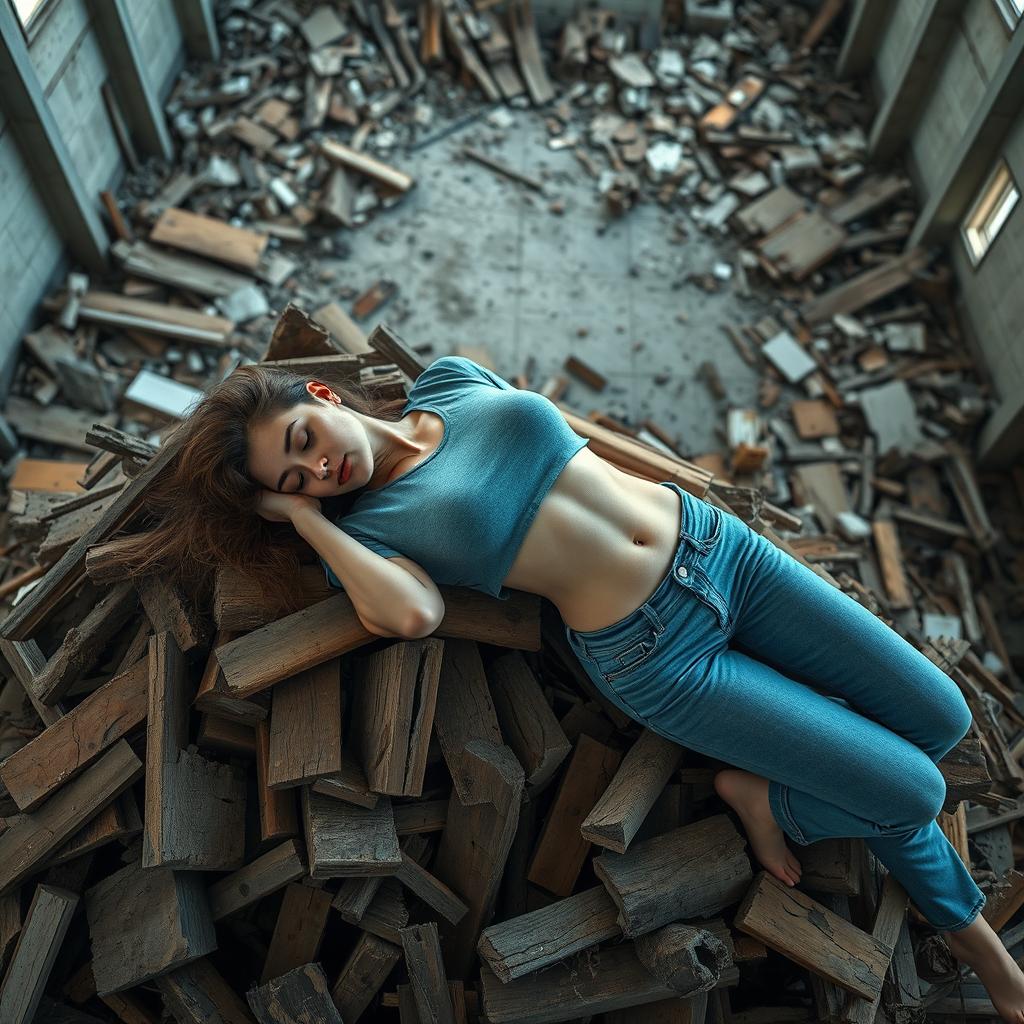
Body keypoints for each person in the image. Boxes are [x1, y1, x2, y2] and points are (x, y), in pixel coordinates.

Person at [111, 354, 1023, 1018]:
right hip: (660, 653)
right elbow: (410, 616)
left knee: (942, 716)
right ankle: (982, 952)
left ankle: (779, 785)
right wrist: (307, 521)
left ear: (319, 395)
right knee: (917, 788)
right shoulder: (374, 530)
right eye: (295, 478)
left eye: (304, 442)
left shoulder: (450, 382)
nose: (318, 467)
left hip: (721, 552)